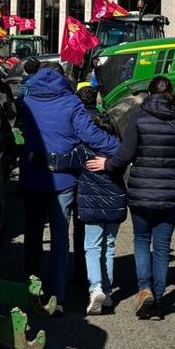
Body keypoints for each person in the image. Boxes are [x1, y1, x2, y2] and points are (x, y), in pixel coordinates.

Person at [89, 76, 175, 319]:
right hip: (173, 195)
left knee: (141, 240)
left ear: (149, 95)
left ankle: (144, 289)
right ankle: (158, 299)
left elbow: (125, 155)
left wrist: (107, 164)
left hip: (141, 193)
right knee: (161, 247)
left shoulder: (139, 120)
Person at [18, 64, 119, 313]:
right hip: (62, 179)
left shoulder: (26, 100)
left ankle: (30, 286)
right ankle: (58, 295)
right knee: (60, 237)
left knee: (32, 234)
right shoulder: (71, 104)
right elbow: (91, 135)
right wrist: (118, 147)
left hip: (32, 176)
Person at [74, 83, 126, 315]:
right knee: (110, 247)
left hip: (91, 203)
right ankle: (108, 291)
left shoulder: (84, 150)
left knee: (92, 247)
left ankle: (95, 288)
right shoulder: (120, 151)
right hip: (115, 201)